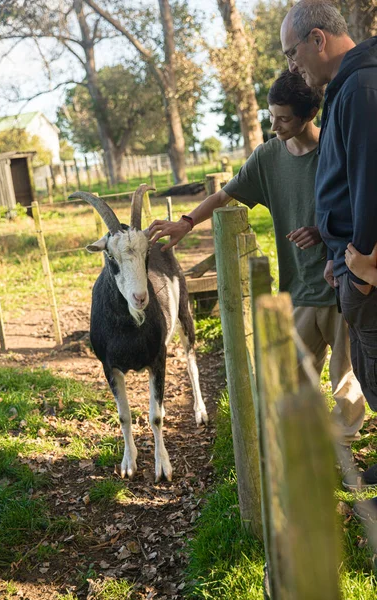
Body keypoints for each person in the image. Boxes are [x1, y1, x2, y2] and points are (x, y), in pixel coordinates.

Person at [149, 70, 366, 478]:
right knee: (290, 377)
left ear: (309, 114)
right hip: (298, 290)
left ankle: (341, 457)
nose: (274, 125)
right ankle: (307, 450)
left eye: (283, 118)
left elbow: (361, 208)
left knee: (346, 380)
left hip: (340, 286)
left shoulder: (335, 152)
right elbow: (224, 194)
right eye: (272, 116)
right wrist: (186, 222)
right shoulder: (268, 157)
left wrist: (323, 231)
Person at [281, 0, 377, 513]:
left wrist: (362, 266)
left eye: (292, 53)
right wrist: (335, 248)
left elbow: (373, 187)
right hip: (349, 268)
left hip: (367, 278)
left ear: (318, 40)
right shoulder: (349, 88)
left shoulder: (362, 89)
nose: (292, 66)